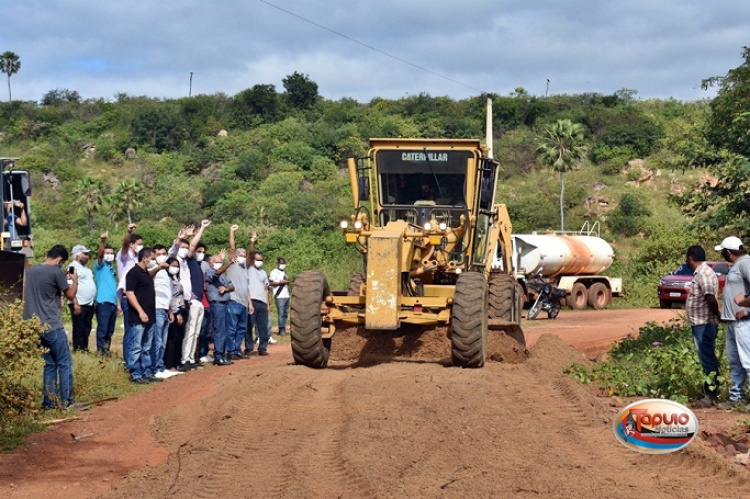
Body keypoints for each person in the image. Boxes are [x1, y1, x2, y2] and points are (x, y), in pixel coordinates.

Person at [23, 245, 78, 409]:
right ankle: (66, 401)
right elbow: (70, 295)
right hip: (52, 325)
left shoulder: (31, 271)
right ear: (60, 259)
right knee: (64, 363)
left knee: (49, 364)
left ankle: (49, 403)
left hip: (35, 326)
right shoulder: (55, 272)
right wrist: (74, 280)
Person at [168, 220, 210, 370]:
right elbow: (176, 250)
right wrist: (181, 239)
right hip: (183, 301)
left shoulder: (187, 262)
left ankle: (191, 358)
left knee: (195, 331)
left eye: (187, 248)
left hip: (194, 299)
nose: (186, 250)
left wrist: (201, 229)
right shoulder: (176, 260)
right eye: (183, 248)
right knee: (189, 331)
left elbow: (192, 247)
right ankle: (184, 359)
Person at [715, 236, 750, 408]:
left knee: (748, 360)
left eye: (722, 251)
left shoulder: (745, 263)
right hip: (732, 322)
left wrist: (747, 310)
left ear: (728, 252)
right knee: (735, 361)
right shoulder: (737, 265)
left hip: (744, 322)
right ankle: (737, 396)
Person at [684, 245, 721, 407]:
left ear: (691, 258)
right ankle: (711, 392)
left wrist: (717, 315)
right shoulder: (701, 273)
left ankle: (711, 395)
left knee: (708, 359)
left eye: (687, 258)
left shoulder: (704, 274)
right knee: (706, 357)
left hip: (704, 323)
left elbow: (710, 298)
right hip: (700, 322)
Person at [124, 247, 158, 384]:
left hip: (150, 315)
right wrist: (140, 311)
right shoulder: (133, 273)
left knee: (147, 347)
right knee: (136, 346)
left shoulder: (146, 273)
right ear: (145, 258)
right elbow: (130, 293)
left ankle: (146, 371)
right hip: (138, 316)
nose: (154, 261)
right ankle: (136, 373)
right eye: (153, 258)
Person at [118, 224, 143, 364]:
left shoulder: (138, 258)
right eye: (139, 244)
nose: (141, 246)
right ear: (132, 244)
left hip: (138, 298)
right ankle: (129, 362)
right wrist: (128, 231)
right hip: (128, 298)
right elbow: (124, 244)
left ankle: (136, 360)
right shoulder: (124, 256)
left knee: (137, 331)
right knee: (130, 331)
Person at [151, 244, 177, 379]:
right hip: (156, 308)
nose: (162, 256)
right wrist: (158, 267)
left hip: (165, 309)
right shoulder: (152, 267)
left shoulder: (165, 273)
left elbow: (168, 293)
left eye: (163, 253)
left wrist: (170, 311)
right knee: (157, 340)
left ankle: (160, 367)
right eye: (159, 253)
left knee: (163, 341)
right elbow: (147, 276)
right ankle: (155, 368)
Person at [225, 225, 251, 361]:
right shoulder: (233, 264)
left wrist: (249, 303)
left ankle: (237, 349)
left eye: (244, 256)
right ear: (236, 257)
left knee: (242, 328)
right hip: (233, 301)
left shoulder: (245, 269)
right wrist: (232, 232)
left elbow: (247, 288)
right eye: (240, 256)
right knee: (231, 328)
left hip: (243, 303)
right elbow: (232, 248)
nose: (242, 258)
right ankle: (230, 350)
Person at [205, 250, 234, 365]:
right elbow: (216, 273)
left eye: (220, 262)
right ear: (211, 263)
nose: (219, 264)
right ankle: (218, 356)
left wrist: (226, 289)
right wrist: (229, 263)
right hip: (217, 304)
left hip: (225, 304)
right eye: (216, 262)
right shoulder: (209, 272)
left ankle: (222, 354)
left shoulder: (223, 276)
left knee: (225, 331)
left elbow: (232, 287)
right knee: (219, 331)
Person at [94, 232, 120, 355]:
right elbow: (99, 255)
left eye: (111, 253)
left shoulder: (112, 268)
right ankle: (100, 351)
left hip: (113, 303)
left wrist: (118, 303)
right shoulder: (100, 265)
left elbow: (115, 287)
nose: (109, 255)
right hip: (103, 302)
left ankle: (106, 350)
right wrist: (103, 242)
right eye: (107, 253)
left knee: (110, 330)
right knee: (103, 329)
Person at [68, 244, 96, 352]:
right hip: (79, 303)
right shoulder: (72, 267)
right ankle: (78, 349)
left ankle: (85, 347)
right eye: (85, 254)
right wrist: (75, 303)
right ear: (77, 256)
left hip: (89, 303)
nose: (87, 256)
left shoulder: (86, 269)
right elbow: (69, 285)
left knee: (87, 328)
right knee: (79, 328)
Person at [163, 257, 186, 374]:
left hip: (181, 309)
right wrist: (176, 313)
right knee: (172, 338)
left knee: (179, 338)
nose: (175, 268)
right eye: (173, 265)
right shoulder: (166, 279)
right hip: (173, 311)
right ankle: (169, 364)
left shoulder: (176, 278)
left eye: (177, 266)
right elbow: (170, 297)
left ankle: (176, 363)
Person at [247, 249, 271, 356]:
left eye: (260, 260)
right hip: (252, 300)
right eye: (257, 259)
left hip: (262, 302)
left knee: (263, 326)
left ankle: (262, 348)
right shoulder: (249, 268)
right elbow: (250, 255)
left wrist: (267, 305)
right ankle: (248, 348)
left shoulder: (264, 273)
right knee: (249, 326)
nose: (258, 261)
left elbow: (266, 289)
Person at [269, 257, 291, 336]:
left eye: (284, 263)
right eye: (281, 263)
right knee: (281, 313)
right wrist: (281, 282)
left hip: (286, 295)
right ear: (278, 263)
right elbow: (271, 283)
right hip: (279, 295)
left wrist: (287, 282)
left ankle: (284, 327)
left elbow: (287, 281)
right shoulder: (274, 272)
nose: (282, 265)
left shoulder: (285, 272)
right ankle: (281, 329)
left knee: (285, 313)